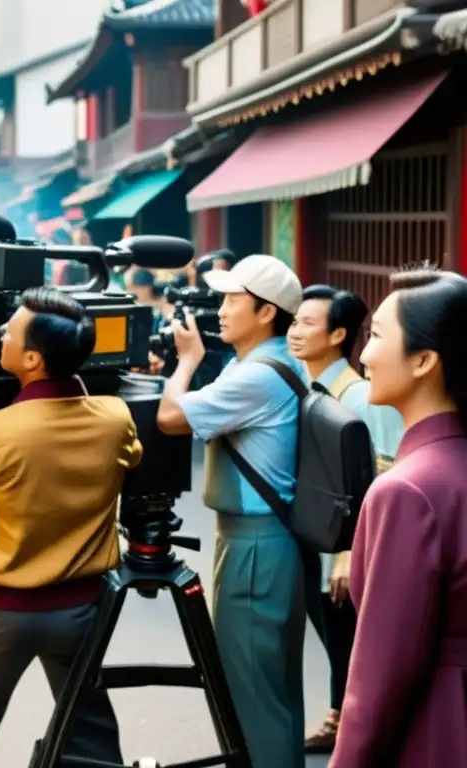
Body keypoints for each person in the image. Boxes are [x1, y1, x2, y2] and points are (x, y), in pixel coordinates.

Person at [0, 288, 142, 768]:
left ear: (31, 359)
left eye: (8, 331)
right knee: (89, 725)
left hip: (4, 613)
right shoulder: (117, 418)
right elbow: (132, 459)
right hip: (81, 610)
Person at [155, 254, 308, 768]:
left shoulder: (258, 375)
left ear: (266, 312)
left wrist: (186, 362)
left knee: (253, 698)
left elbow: (172, 416)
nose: (220, 310)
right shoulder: (263, 362)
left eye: (232, 299)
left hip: (256, 546)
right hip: (262, 541)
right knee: (270, 693)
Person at [332, 268, 467, 768]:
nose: (363, 355)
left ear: (425, 360)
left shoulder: (407, 491)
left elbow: (378, 679)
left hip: (434, 725)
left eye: (377, 337)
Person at [287, 285, 405, 752]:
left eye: (308, 324)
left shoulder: (360, 396)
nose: (296, 332)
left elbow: (385, 471)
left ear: (338, 334)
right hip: (318, 538)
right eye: (294, 321)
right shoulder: (306, 382)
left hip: (347, 547)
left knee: (350, 641)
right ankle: (341, 722)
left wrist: (350, 549)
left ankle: (353, 730)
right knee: (336, 639)